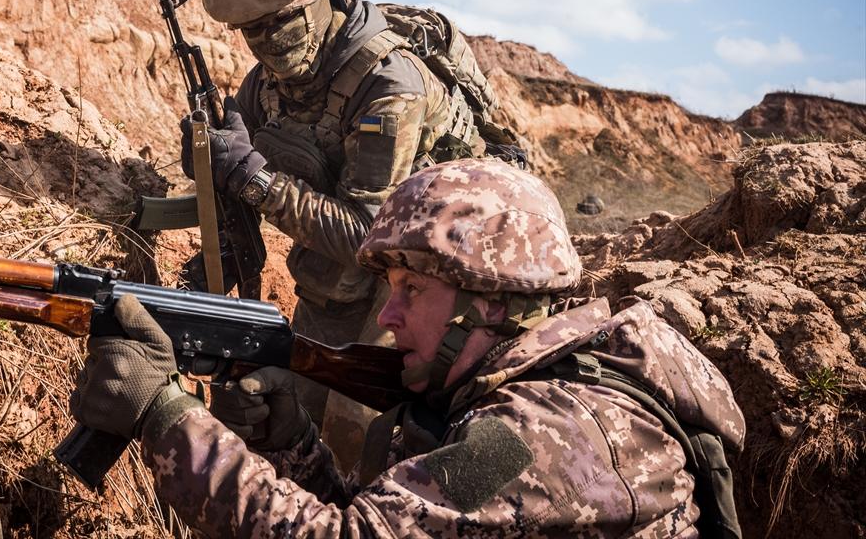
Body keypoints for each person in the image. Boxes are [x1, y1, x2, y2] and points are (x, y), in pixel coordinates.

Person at [72, 158, 746, 538]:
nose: (388, 315)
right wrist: (293, 444)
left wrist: (165, 415)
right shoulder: (511, 397)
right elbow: (385, 518)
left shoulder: (542, 436)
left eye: (412, 290)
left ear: (490, 300)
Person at [179, 0, 499, 464]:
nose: (269, 41)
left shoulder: (388, 83)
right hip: (337, 276)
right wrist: (212, 179)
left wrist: (253, 179)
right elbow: (237, 178)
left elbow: (366, 234)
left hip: (436, 272)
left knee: (360, 433)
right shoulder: (265, 87)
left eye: (283, 20)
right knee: (291, 406)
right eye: (251, 31)